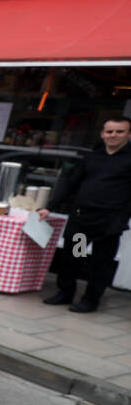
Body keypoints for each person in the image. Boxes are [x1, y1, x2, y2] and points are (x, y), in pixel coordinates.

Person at [39, 116, 131, 312]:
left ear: (128, 134)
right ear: (102, 134)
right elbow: (70, 185)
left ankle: (91, 300)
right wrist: (50, 206)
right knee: (73, 258)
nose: (113, 135)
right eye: (109, 131)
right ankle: (65, 293)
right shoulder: (92, 158)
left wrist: (123, 217)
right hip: (82, 220)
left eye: (119, 131)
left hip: (108, 224)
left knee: (100, 265)